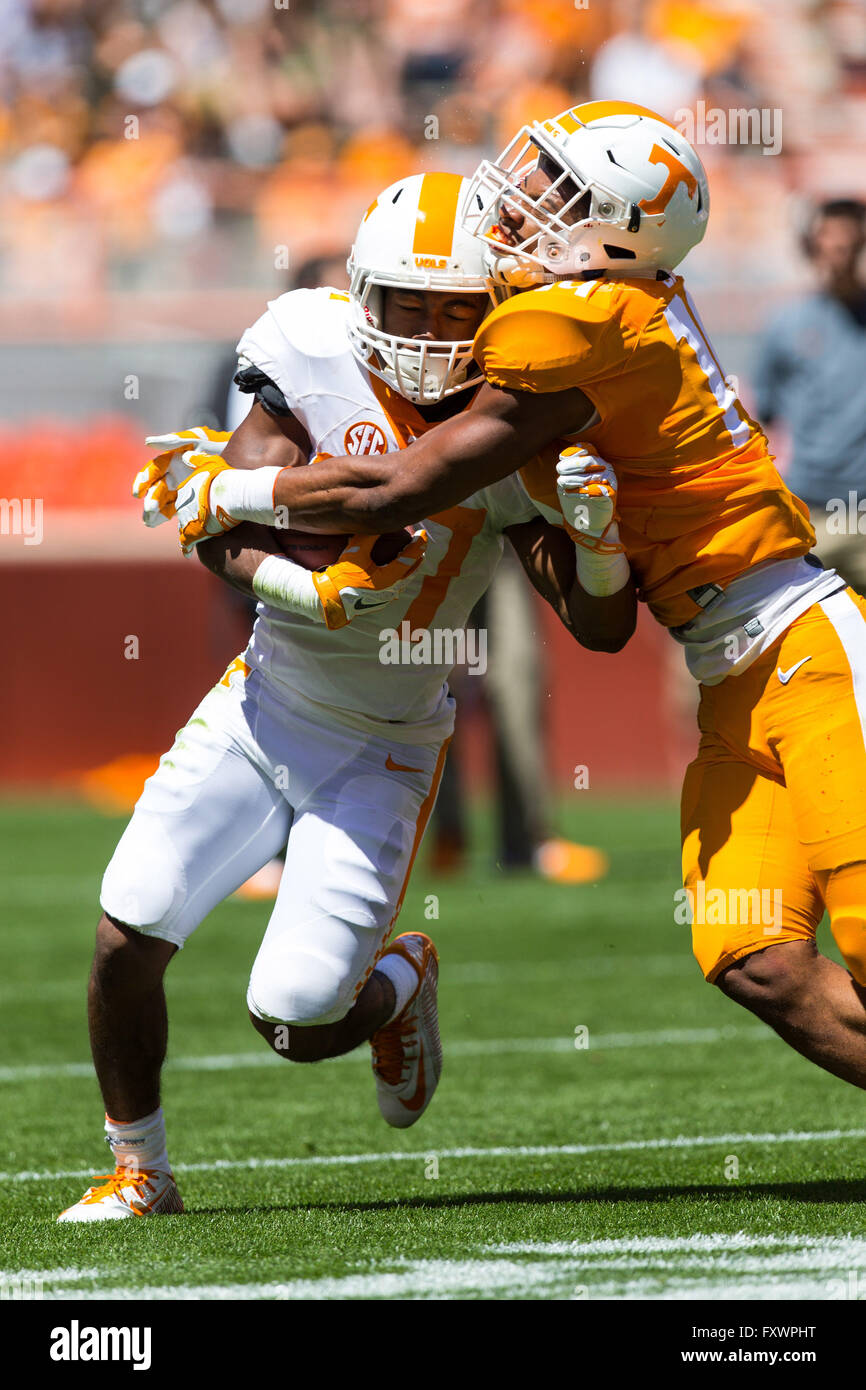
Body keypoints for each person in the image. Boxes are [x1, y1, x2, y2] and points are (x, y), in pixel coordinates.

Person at [175, 101, 866, 1101]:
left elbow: (406, 486)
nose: (523, 193)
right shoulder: (585, 304)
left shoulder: (584, 319)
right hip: (726, 667)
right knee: (752, 955)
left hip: (802, 645)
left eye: (559, 186)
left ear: (621, 227)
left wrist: (225, 488)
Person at [58, 171, 634, 1221]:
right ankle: (140, 1169)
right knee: (123, 935)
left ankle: (397, 989)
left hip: (385, 742)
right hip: (266, 696)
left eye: (451, 307)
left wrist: (597, 550)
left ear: (492, 306)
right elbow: (214, 527)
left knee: (292, 1018)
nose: (422, 328)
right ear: (359, 294)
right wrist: (298, 584)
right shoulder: (306, 345)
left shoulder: (516, 413)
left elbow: (602, 628)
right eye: (402, 302)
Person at [753, 197, 866, 596]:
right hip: (808, 510)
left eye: (850, 243)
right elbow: (762, 414)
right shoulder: (788, 323)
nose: (839, 253)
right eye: (829, 241)